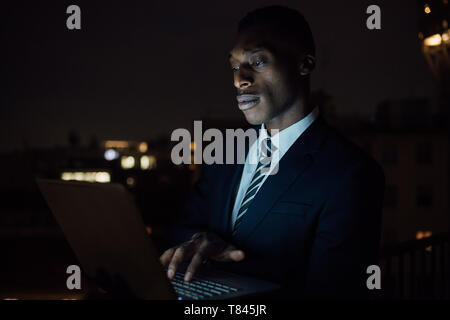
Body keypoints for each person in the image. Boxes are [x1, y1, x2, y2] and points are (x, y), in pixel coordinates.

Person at [160, 5, 385, 298]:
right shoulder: (225, 154)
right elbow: (180, 229)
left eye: (258, 61)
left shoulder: (351, 173)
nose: (239, 79)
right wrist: (201, 241)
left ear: (304, 64)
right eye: (234, 65)